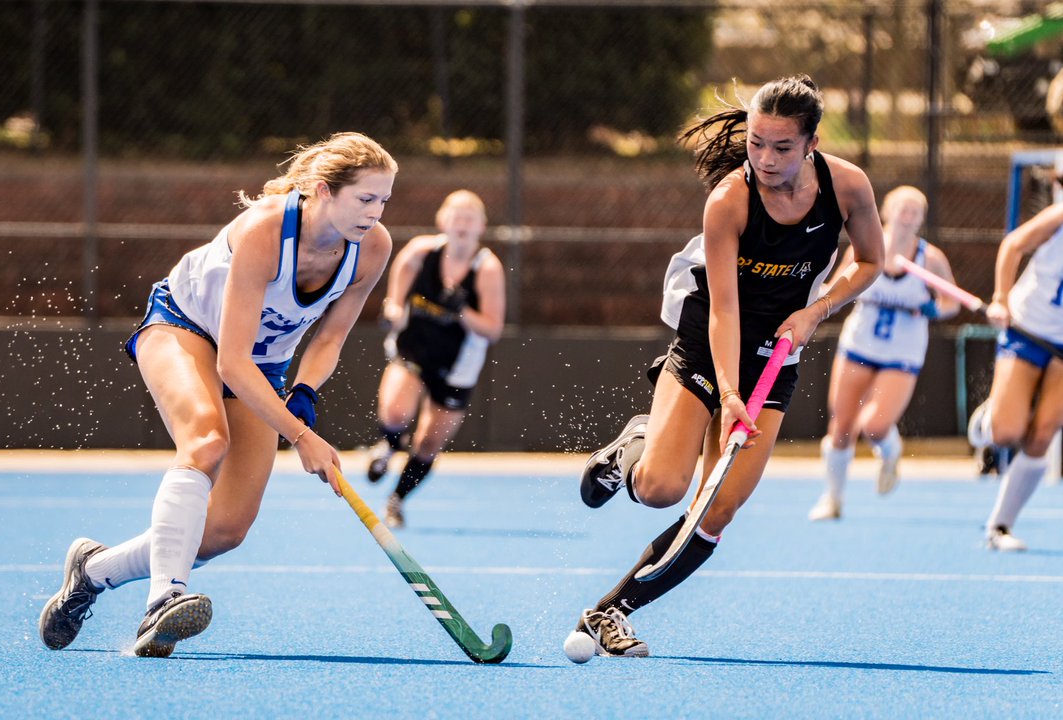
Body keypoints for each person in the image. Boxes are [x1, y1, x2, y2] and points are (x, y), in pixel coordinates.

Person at [38, 132, 398, 657]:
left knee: (226, 528)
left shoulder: (374, 248)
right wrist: (300, 436)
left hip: (263, 363)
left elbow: (330, 337)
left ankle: (93, 570)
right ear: (324, 191)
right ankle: (164, 600)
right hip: (187, 327)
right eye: (365, 198)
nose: (375, 212)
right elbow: (229, 359)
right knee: (207, 442)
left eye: (384, 199)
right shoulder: (265, 231)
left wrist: (305, 392)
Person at [569, 75, 883, 657]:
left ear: (812, 142)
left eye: (781, 147)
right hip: (710, 336)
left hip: (779, 349)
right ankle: (633, 446)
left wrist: (816, 312)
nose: (764, 158)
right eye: (756, 143)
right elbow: (724, 309)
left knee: (716, 510)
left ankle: (608, 614)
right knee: (663, 488)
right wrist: (731, 392)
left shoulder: (848, 187)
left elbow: (871, 261)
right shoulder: (729, 201)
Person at [807, 186, 960, 520]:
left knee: (874, 425)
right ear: (886, 212)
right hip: (859, 345)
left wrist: (931, 308)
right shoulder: (867, 246)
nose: (908, 216)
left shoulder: (928, 258)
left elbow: (952, 302)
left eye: (915, 210)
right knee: (842, 426)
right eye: (902, 208)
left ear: (922, 218)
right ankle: (833, 499)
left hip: (902, 352)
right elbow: (838, 286)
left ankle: (890, 453)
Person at [363, 189, 506, 527]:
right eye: (456, 216)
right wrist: (394, 307)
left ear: (481, 227)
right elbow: (397, 289)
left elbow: (492, 329)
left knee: (429, 442)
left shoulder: (487, 269)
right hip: (415, 347)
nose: (462, 224)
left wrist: (462, 312)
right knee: (396, 412)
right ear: (442, 221)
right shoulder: (422, 251)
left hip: (457, 366)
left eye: (470, 218)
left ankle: (396, 499)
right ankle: (389, 444)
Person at [966, 184, 1063, 552]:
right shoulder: (1059, 216)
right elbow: (1013, 246)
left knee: (1043, 433)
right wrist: (1001, 298)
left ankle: (1000, 526)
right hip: (1026, 328)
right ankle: (992, 414)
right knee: (1007, 431)